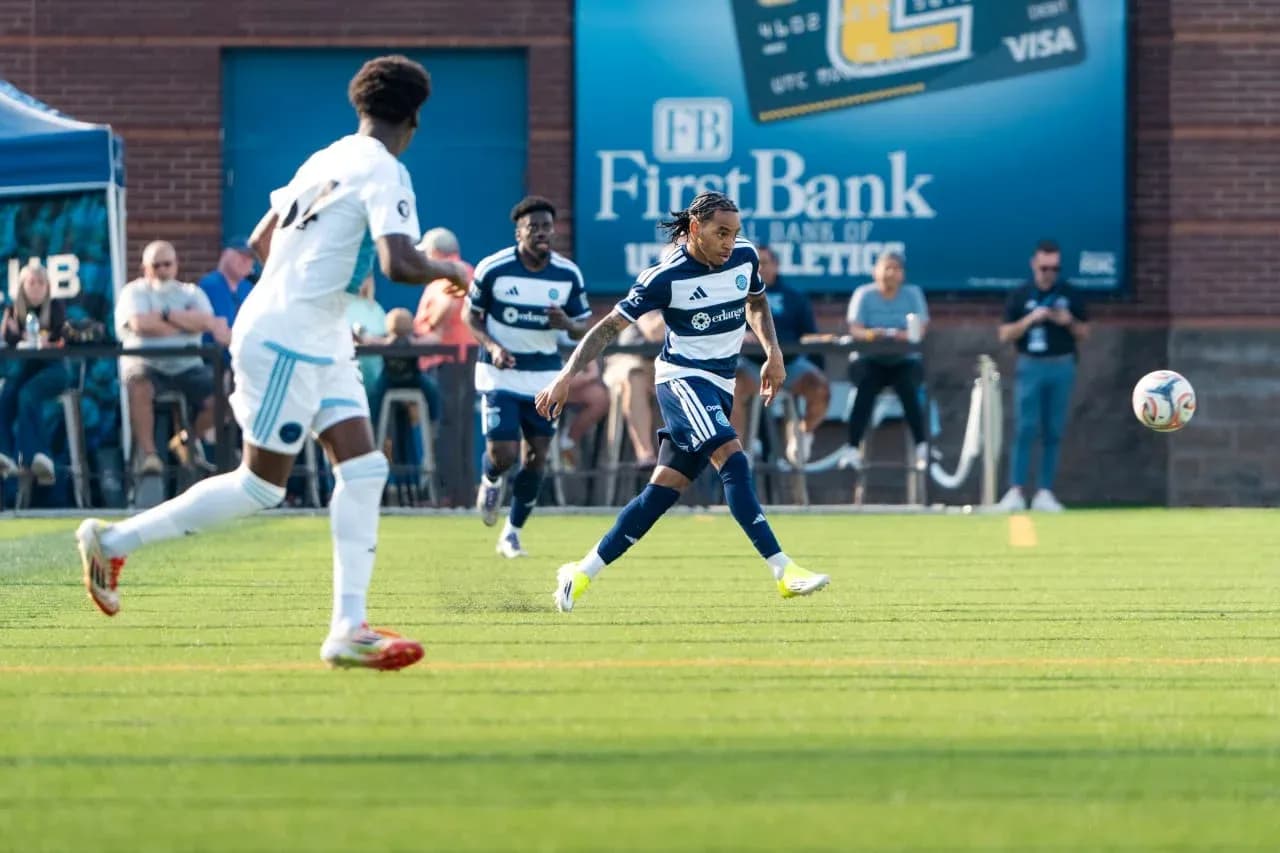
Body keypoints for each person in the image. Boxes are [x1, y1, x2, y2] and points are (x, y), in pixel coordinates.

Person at [76, 55, 470, 671]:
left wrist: (313, 280)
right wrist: (452, 272)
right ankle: (112, 539)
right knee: (260, 486)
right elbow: (398, 262)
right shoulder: (386, 170)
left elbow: (261, 242)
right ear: (413, 118)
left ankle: (349, 629)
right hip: (290, 338)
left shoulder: (323, 159)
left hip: (318, 334)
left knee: (364, 469)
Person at [535, 191, 830, 612]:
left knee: (662, 490)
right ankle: (783, 570)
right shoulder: (665, 276)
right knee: (732, 458)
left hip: (721, 384)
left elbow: (756, 302)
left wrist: (773, 353)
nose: (729, 242)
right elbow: (609, 327)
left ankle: (579, 573)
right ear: (695, 228)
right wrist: (566, 375)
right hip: (682, 381)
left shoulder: (744, 257)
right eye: (721, 233)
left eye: (734, 233)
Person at [466, 195, 590, 559]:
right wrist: (493, 347)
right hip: (500, 374)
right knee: (503, 454)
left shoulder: (567, 274)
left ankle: (512, 533)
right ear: (518, 232)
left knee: (537, 457)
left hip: (544, 377)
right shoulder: (494, 268)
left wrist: (566, 323)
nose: (541, 233)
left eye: (546, 227)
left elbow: (583, 326)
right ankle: (490, 479)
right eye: (532, 227)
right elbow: (470, 316)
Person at [114, 240, 226, 474]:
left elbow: (207, 322)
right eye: (156, 265)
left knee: (225, 400)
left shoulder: (191, 292)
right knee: (139, 386)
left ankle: (186, 440)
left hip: (188, 365)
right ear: (145, 268)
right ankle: (150, 456)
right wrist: (184, 323)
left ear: (176, 264)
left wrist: (164, 315)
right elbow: (140, 324)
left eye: (167, 264)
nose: (163, 270)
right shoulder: (134, 292)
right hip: (145, 363)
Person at [996, 239, 1090, 512]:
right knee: (1025, 428)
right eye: (1044, 268)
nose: (1049, 274)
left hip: (1061, 364)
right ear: (1034, 265)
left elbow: (1085, 333)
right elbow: (1004, 334)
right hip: (1030, 364)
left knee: (1053, 429)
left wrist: (1068, 321)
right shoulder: (1021, 294)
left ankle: (1044, 491)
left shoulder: (1069, 294)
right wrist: (1030, 319)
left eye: (1054, 269)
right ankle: (1016, 490)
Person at [732, 244, 831, 465]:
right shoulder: (735, 295)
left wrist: (824, 339)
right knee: (729, 387)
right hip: (751, 366)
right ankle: (737, 451)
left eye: (764, 263)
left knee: (820, 388)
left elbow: (808, 335)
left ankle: (801, 437)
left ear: (776, 265)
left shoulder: (794, 297)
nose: (759, 269)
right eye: (754, 265)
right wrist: (741, 335)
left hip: (791, 365)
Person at [837, 252, 930, 471]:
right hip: (869, 360)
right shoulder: (863, 294)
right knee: (865, 386)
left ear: (903, 274)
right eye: (886, 268)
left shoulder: (913, 294)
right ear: (875, 272)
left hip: (904, 361)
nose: (891, 273)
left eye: (896, 268)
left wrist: (898, 336)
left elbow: (919, 331)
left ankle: (922, 446)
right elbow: (856, 330)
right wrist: (873, 335)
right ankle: (852, 447)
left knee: (909, 388)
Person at [0, 262, 68, 485]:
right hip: (26, 370)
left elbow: (62, 338)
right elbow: (7, 338)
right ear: (22, 286)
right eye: (31, 282)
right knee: (7, 394)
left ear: (47, 286)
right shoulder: (12, 310)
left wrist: (44, 341)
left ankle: (38, 456)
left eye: (41, 282)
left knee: (28, 395)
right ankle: (4, 454)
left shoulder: (56, 307)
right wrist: (17, 335)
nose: (36, 287)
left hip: (53, 370)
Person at [601, 311, 667, 468]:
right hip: (627, 358)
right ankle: (646, 454)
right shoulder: (653, 296)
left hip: (667, 363)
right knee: (635, 375)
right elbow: (654, 333)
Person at [413, 227, 474, 369]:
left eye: (426, 253)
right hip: (462, 355)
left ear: (434, 252)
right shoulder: (466, 270)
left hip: (446, 359)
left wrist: (432, 327)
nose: (424, 258)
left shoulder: (448, 272)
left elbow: (449, 303)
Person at [197, 236, 256, 344]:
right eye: (241, 254)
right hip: (216, 353)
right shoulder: (211, 285)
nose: (246, 260)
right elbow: (222, 336)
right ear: (225, 254)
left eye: (251, 257)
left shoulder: (248, 288)